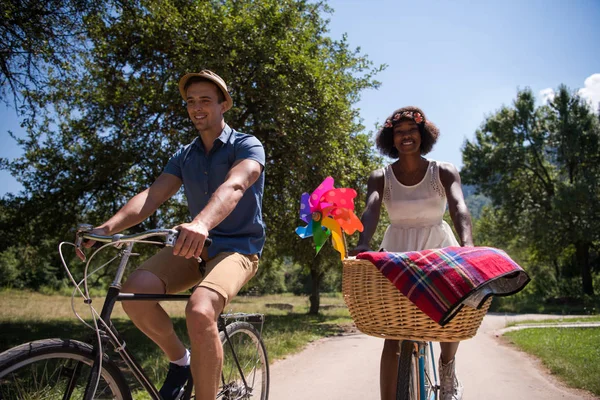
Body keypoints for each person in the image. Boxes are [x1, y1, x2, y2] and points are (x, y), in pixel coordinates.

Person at [81, 70, 266, 400]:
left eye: (205, 100)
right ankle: (181, 361)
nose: (196, 107)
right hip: (193, 246)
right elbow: (152, 196)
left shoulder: (246, 145)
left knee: (199, 310)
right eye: (190, 101)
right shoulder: (185, 154)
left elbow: (235, 185)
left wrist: (201, 223)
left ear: (224, 105)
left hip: (238, 249)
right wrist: (105, 229)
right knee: (135, 295)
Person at [350, 106, 473, 400]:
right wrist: (363, 243)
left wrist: (467, 244)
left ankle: (447, 370)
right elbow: (372, 208)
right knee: (392, 333)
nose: (406, 136)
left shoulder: (442, 170)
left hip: (438, 247)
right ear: (391, 140)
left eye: (412, 131)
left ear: (423, 135)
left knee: (450, 317)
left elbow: (458, 206)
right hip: (398, 251)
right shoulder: (380, 176)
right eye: (400, 132)